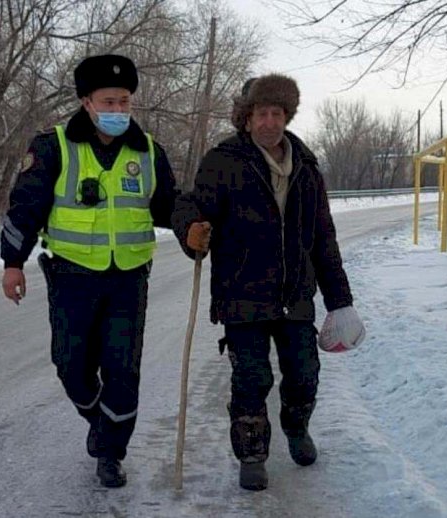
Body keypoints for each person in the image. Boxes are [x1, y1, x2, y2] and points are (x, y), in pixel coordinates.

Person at [172, 74, 365, 491]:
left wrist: (340, 301)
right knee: (251, 378)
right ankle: (252, 453)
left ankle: (297, 428)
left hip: (294, 293)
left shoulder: (307, 167)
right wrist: (190, 229)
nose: (269, 122)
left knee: (303, 372)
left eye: (277, 113)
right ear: (246, 118)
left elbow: (323, 238)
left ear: (287, 116)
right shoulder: (223, 161)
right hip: (242, 294)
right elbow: (190, 204)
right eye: (261, 113)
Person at [0, 54, 178, 488]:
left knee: (122, 368)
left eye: (124, 102)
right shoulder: (53, 146)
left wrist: (196, 227)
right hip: (72, 276)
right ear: (86, 102)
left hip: (129, 278)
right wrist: (12, 263)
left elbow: (172, 205)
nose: (118, 110)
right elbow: (26, 208)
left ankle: (111, 451)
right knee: (71, 365)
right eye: (108, 101)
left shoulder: (149, 151)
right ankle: (99, 418)